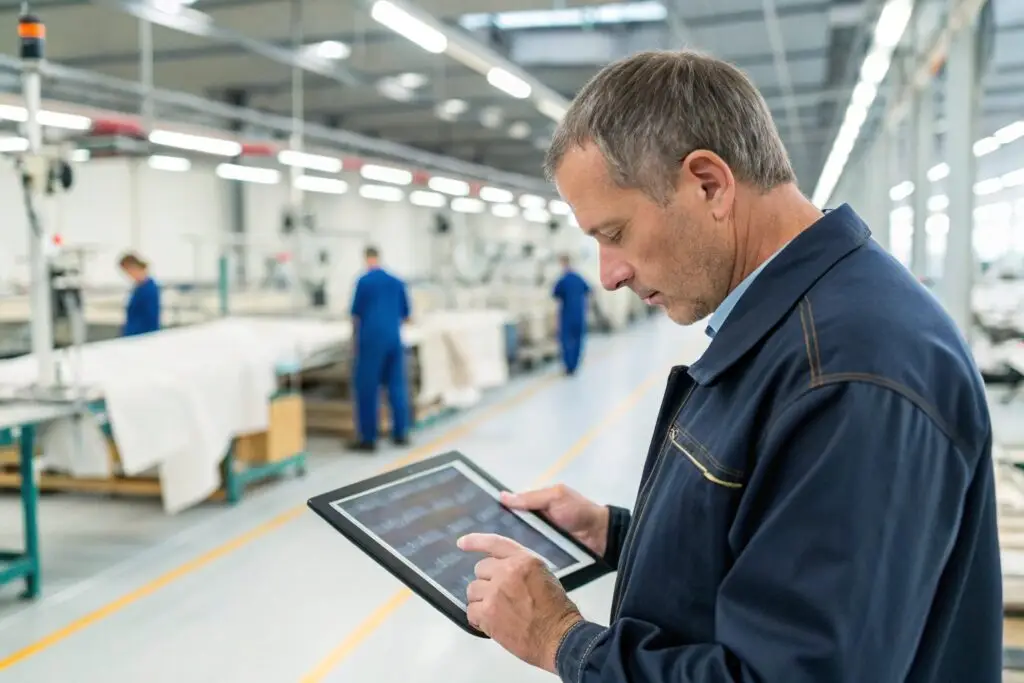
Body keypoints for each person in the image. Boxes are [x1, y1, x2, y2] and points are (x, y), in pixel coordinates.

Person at [456, 50, 1002, 682]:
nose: (609, 275)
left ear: (709, 184)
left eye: (614, 234)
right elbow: (778, 549)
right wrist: (617, 534)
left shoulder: (850, 374)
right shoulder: (798, 326)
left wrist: (563, 641)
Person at [349, 246, 411, 452]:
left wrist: (354, 338)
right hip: (394, 337)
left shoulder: (364, 282)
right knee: (396, 386)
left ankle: (368, 439)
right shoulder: (396, 281)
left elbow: (356, 314)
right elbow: (406, 314)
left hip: (371, 339)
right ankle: (401, 433)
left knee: (368, 387)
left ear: (366, 259)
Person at [551, 254, 591, 375]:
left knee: (566, 340)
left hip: (567, 314)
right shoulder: (579, 278)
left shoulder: (562, 280)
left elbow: (554, 294)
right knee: (578, 339)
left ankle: (569, 366)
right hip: (579, 314)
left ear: (563, 263)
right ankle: (575, 365)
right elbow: (589, 290)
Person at [118, 252, 161, 337]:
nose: (128, 275)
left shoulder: (149, 288)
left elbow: (151, 318)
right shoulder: (138, 287)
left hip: (142, 338)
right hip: (132, 336)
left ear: (133, 267)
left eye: (127, 271)